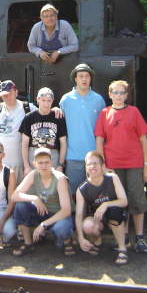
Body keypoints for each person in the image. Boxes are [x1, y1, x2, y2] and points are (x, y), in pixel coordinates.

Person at [95, 80, 147, 253]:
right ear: (110, 94)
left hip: (134, 163)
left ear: (126, 95)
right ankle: (123, 238)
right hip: (113, 165)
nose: (118, 96)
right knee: (119, 202)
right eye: (115, 92)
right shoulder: (104, 113)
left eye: (121, 93)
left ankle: (140, 238)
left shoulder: (134, 112)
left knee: (137, 200)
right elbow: (99, 141)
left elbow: (143, 140)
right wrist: (102, 165)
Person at [11, 147, 74, 256]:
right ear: (34, 163)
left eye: (46, 162)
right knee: (20, 206)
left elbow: (66, 210)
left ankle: (66, 241)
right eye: (40, 163)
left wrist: (43, 225)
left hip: (58, 215)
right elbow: (14, 196)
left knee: (62, 229)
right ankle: (28, 243)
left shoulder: (60, 178)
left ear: (51, 162)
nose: (44, 166)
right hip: (43, 212)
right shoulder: (33, 174)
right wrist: (34, 198)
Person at [76, 151, 129, 265]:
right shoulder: (82, 188)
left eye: (95, 163)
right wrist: (80, 238)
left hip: (115, 215)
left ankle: (122, 248)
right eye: (89, 164)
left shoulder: (112, 178)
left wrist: (106, 204)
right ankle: (97, 241)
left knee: (114, 212)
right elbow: (79, 215)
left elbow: (124, 201)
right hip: (97, 219)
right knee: (87, 225)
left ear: (102, 165)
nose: (92, 166)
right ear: (86, 167)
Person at [59, 63, 106, 194]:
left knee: (95, 194)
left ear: (91, 78)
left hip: (94, 156)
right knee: (74, 194)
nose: (84, 79)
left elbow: (103, 129)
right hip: (73, 156)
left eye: (87, 76)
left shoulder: (98, 100)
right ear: (75, 78)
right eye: (81, 76)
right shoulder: (66, 100)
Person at [0, 80, 36, 178]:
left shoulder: (28, 108)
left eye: (9, 94)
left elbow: (44, 114)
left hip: (20, 165)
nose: (7, 97)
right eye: (4, 95)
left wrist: (55, 110)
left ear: (16, 92)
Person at [19, 87, 67, 175]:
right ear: (38, 100)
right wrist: (26, 166)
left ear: (52, 101)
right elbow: (24, 143)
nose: (46, 104)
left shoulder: (58, 117)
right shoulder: (29, 117)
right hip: (34, 156)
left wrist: (60, 165)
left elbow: (63, 143)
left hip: (52, 156)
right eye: (43, 100)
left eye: (49, 101)